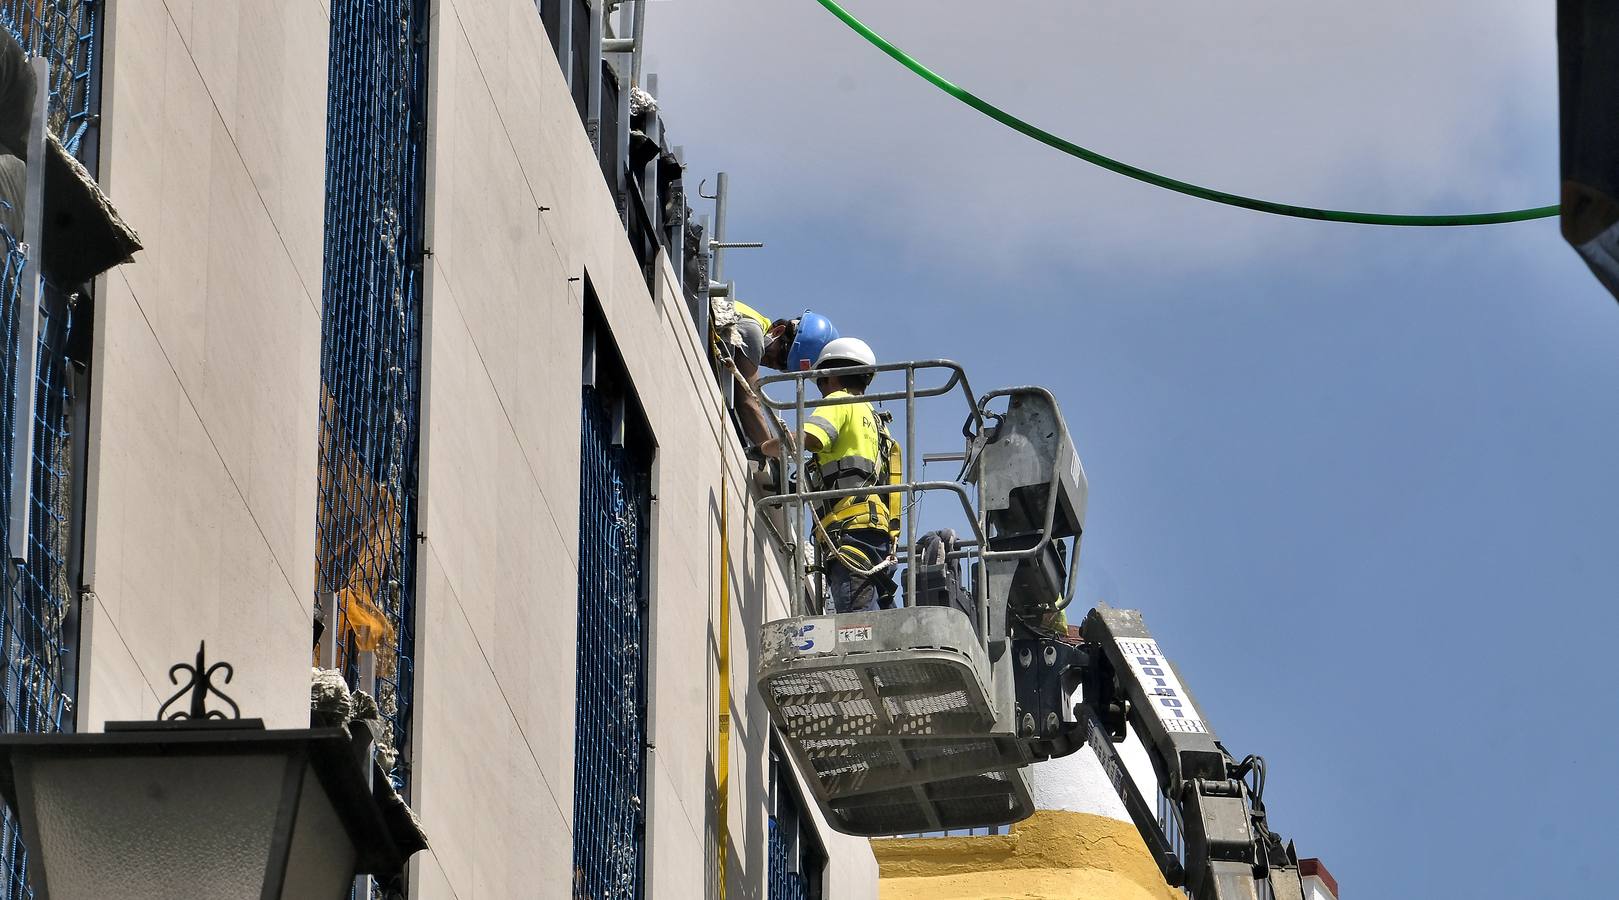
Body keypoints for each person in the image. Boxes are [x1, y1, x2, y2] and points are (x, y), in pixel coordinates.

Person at [758, 337, 902, 613]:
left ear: (830, 376)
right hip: (876, 532)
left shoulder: (838, 401)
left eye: (821, 382)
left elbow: (809, 438)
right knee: (872, 610)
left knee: (856, 624)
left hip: (849, 528)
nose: (821, 390)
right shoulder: (875, 419)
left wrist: (763, 447)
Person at [713, 301, 837, 447]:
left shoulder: (751, 322)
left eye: (784, 366)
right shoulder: (753, 332)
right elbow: (749, 404)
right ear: (777, 331)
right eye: (782, 356)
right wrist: (774, 455)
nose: (775, 365)